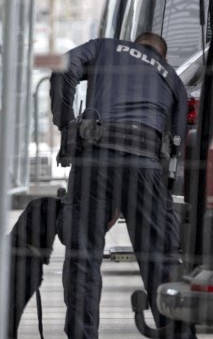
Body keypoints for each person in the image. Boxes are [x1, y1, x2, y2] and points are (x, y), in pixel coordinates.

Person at [50, 32, 196, 339]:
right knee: (161, 258)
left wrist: (67, 127)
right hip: (146, 163)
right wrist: (156, 199)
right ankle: (179, 335)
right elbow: (176, 148)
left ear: (133, 44)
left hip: (95, 157)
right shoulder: (170, 77)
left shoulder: (106, 47)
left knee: (84, 254)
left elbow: (64, 67)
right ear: (162, 56)